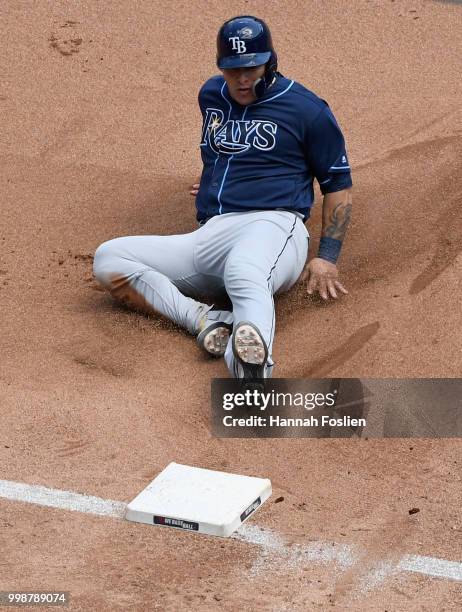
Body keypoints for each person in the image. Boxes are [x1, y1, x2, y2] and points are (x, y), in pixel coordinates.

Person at [93, 15, 353, 380]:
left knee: (243, 271)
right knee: (110, 258)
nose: (243, 79)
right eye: (233, 70)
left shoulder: (308, 110)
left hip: (275, 227)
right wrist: (215, 182)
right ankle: (204, 318)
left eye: (252, 68)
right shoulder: (211, 94)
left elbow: (338, 185)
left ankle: (251, 373)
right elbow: (220, 150)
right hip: (213, 233)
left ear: (269, 61)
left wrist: (327, 257)